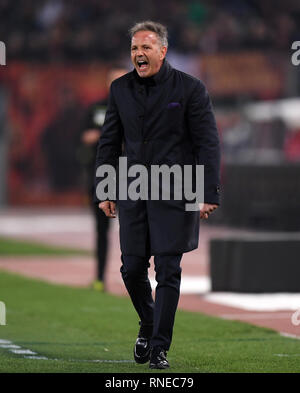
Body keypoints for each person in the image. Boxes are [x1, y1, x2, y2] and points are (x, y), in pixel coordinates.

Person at [95, 21, 220, 369]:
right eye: (135, 48)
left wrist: (207, 191)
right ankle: (148, 323)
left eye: (146, 48)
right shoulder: (119, 89)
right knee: (131, 268)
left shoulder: (191, 89)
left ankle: (160, 347)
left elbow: (207, 143)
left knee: (168, 269)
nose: (139, 54)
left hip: (177, 189)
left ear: (163, 51)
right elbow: (109, 141)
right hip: (133, 190)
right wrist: (105, 188)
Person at [80, 67, 127, 291]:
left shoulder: (138, 107)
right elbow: (84, 136)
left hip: (130, 177)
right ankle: (100, 278)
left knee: (136, 228)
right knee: (101, 229)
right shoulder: (97, 107)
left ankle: (137, 278)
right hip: (101, 175)